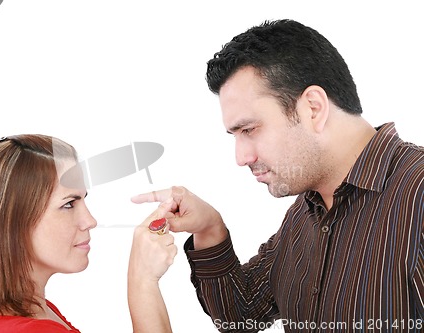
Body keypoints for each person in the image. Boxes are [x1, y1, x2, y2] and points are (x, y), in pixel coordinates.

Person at [132, 19, 424, 332]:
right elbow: (241, 316)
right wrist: (209, 229)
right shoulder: (305, 213)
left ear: (312, 108)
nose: (242, 158)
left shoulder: (416, 193)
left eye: (249, 129)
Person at [0, 134, 177, 333]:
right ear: (12, 222)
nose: (90, 221)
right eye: (69, 205)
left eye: (83, 200)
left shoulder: (34, 311)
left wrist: (210, 230)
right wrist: (142, 279)